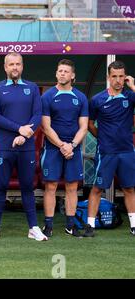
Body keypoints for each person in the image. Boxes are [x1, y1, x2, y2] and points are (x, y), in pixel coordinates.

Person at [0, 52, 47, 241]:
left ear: (22, 66)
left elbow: (37, 115)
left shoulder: (32, 87)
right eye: (11, 64)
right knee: (0, 186)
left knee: (27, 187)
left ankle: (33, 228)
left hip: (26, 147)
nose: (15, 68)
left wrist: (24, 134)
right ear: (5, 67)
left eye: (18, 64)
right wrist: (20, 129)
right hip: (3, 146)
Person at [85, 60, 135, 237]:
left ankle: (134, 226)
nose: (118, 80)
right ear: (108, 77)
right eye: (114, 76)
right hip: (106, 151)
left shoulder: (130, 97)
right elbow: (90, 123)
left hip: (127, 151)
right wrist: (101, 137)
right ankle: (90, 226)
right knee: (98, 188)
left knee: (129, 188)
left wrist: (134, 86)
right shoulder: (98, 99)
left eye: (121, 76)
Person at [40, 59, 89, 238]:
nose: (62, 74)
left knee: (72, 187)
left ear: (73, 75)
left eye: (66, 71)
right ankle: (48, 226)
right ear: (56, 73)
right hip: (53, 149)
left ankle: (70, 225)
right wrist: (61, 145)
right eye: (60, 71)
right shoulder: (47, 96)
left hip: (73, 149)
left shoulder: (81, 97)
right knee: (51, 186)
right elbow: (45, 126)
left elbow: (83, 126)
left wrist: (72, 145)